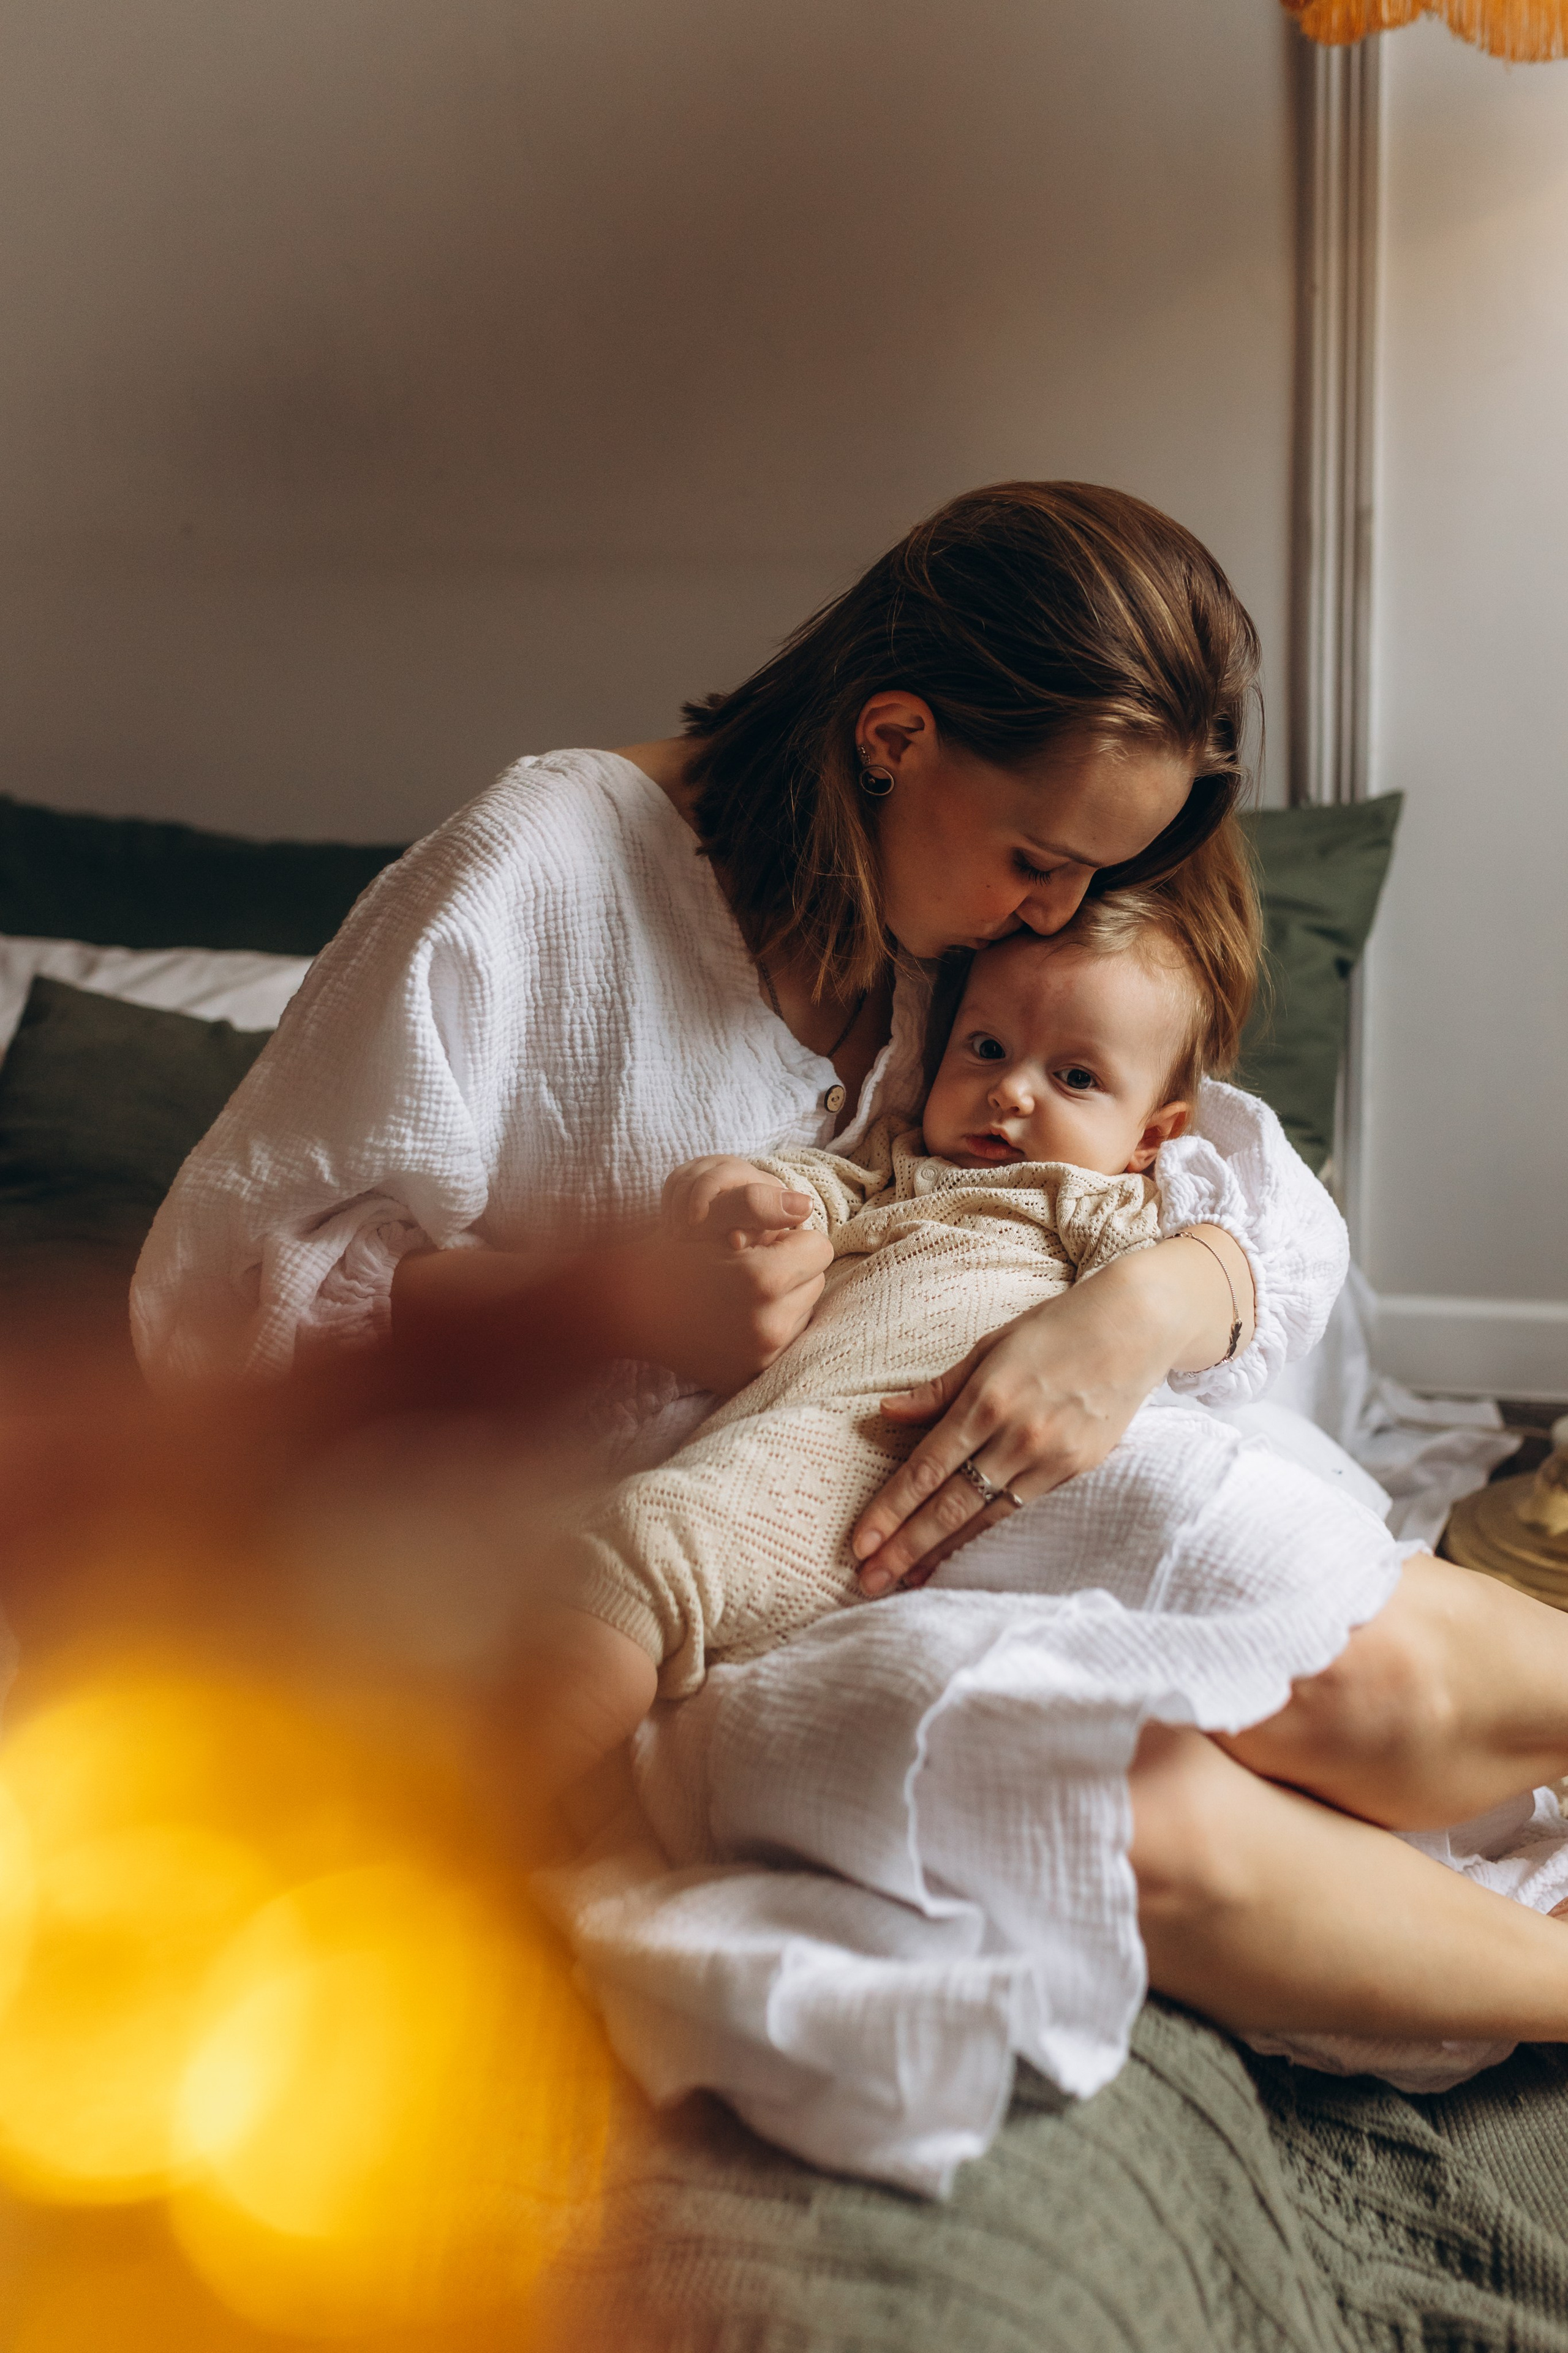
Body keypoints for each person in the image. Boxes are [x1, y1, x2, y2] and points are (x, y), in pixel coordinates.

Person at [129, 479, 1568, 2051]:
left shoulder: (968, 921)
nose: (1059, 908)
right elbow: (220, 1303)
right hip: (645, 1591)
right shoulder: (538, 870)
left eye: (1093, 876)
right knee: (1117, 1817)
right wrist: (611, 1300)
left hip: (941, 1473)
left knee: (1351, 1672)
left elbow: (1233, 1167)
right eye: (1040, 859)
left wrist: (1143, 1308)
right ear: (893, 738)